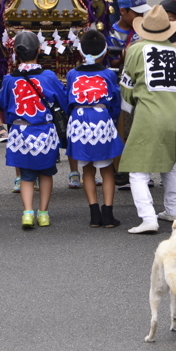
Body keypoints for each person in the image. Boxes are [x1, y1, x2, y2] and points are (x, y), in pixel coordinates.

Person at [119, 5, 176, 234]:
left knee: (137, 170)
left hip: (150, 114)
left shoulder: (136, 50)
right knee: (168, 163)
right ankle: (173, 209)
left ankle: (148, 218)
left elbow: (127, 87)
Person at [0, 32, 67, 230]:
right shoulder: (48, 76)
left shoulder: (9, 79)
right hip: (44, 130)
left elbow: (2, 103)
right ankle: (43, 213)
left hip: (20, 131)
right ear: (39, 50)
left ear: (16, 53)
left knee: (26, 175)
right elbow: (62, 100)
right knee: (46, 173)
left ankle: (27, 213)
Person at [64, 29, 123, 228]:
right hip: (101, 118)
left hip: (79, 120)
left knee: (87, 169)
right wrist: (111, 120)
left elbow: (67, 100)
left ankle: (94, 213)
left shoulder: (72, 74)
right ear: (104, 52)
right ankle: (108, 214)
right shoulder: (108, 74)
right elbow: (115, 102)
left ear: (80, 51)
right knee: (106, 169)